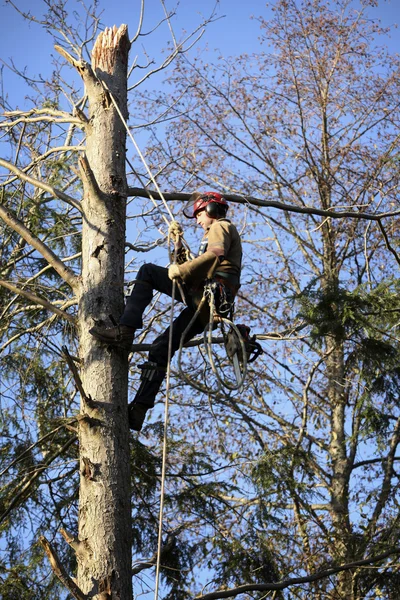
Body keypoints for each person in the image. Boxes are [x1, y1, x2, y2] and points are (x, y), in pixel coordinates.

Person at [89, 191, 242, 431]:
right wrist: (179, 248)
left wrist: (181, 271)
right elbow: (200, 267)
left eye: (200, 214)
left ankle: (125, 330)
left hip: (207, 297)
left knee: (148, 272)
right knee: (161, 348)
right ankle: (139, 409)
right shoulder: (215, 232)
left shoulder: (220, 227)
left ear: (211, 210)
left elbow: (214, 256)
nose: (198, 220)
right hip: (205, 305)